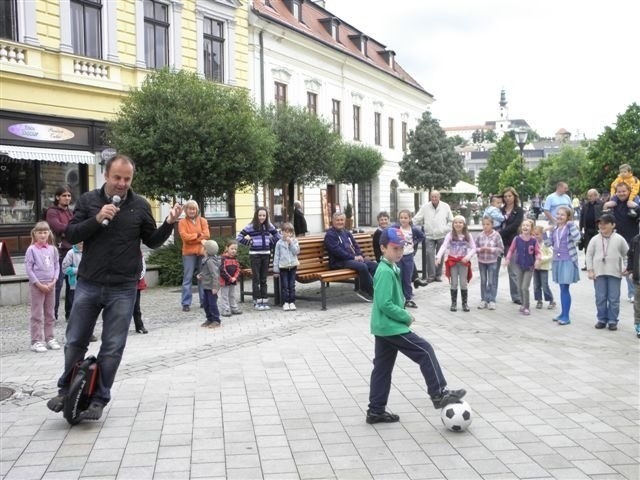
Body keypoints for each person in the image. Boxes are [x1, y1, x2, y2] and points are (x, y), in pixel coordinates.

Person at [46, 154, 183, 421]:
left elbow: (152, 241)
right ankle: (65, 391)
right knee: (75, 341)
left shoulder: (140, 206)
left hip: (123, 287)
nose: (122, 184)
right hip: (89, 283)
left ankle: (99, 399)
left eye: (127, 179)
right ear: (106, 175)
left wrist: (169, 224)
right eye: (117, 178)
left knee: (112, 346)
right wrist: (97, 218)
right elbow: (71, 235)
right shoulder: (88, 201)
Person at [365, 226, 466, 424]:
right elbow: (384, 303)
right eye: (395, 248)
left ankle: (376, 410)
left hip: (384, 327)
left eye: (402, 248)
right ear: (383, 248)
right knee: (425, 350)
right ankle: (439, 393)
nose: (400, 252)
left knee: (382, 369)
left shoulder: (392, 266)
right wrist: (405, 316)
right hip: (391, 326)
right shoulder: (384, 271)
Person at [585, 213, 628, 331]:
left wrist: (627, 267)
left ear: (613, 225)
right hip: (599, 273)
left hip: (615, 273)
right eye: (600, 223)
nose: (602, 226)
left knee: (614, 298)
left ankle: (613, 320)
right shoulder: (594, 239)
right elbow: (589, 255)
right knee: (600, 297)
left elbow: (627, 254)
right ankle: (602, 319)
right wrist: (590, 270)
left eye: (605, 223)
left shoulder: (619, 239)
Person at [324, 212, 377, 302]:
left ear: (344, 221)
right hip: (338, 262)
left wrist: (359, 255)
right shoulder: (330, 235)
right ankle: (365, 291)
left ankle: (375, 290)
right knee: (362, 266)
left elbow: (355, 245)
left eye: (341, 220)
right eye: (337, 220)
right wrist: (353, 257)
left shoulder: (346, 232)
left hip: (351, 260)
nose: (340, 222)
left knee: (374, 265)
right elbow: (337, 251)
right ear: (333, 221)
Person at [25, 221, 60, 353]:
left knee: (50, 313)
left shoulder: (53, 249)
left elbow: (57, 266)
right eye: (40, 232)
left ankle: (49, 337)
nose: (43, 235)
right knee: (37, 314)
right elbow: (29, 269)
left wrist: (54, 281)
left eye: (45, 232)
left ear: (49, 233)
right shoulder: (31, 250)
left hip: (51, 285)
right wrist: (38, 284)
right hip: (37, 285)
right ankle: (36, 340)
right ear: (35, 234)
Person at [237, 207, 280, 310]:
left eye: (264, 215)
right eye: (260, 215)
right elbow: (239, 237)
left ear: (266, 216)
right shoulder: (251, 226)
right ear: (256, 216)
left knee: (263, 278)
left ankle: (264, 300)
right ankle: (256, 301)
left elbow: (278, 235)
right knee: (256, 279)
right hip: (255, 255)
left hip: (266, 255)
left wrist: (271, 241)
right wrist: (250, 242)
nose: (261, 217)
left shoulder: (269, 226)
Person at [603, 183, 640, 302]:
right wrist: (605, 206)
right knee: (619, 266)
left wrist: (637, 207)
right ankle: (619, 293)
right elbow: (604, 219)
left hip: (632, 241)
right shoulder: (614, 204)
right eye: (619, 191)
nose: (621, 193)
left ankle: (633, 293)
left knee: (632, 267)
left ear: (629, 191)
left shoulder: (633, 203)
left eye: (624, 191)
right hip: (617, 239)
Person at [544, 206, 581, 325]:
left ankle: (566, 316)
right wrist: (543, 235)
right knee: (561, 288)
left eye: (562, 215)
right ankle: (563, 312)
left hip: (568, 260)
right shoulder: (555, 228)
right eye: (558, 214)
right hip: (557, 260)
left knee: (565, 288)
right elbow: (549, 243)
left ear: (568, 217)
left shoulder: (570, 227)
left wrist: (571, 225)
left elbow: (578, 238)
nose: (559, 216)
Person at [436, 215, 476, 312]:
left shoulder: (467, 235)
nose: (458, 224)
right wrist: (438, 256)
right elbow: (444, 246)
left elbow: (474, 248)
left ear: (464, 224)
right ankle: (453, 303)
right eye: (456, 222)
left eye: (460, 222)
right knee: (453, 282)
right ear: (453, 224)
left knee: (463, 283)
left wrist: (468, 256)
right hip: (453, 262)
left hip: (463, 262)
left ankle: (464, 303)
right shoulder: (450, 235)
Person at [46, 185, 74, 321]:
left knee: (72, 285)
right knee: (57, 285)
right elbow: (57, 227)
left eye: (69, 195)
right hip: (59, 251)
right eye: (64, 195)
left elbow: (76, 227)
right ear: (57, 197)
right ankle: (53, 315)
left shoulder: (70, 212)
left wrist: (67, 230)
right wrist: (71, 229)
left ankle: (70, 315)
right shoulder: (51, 211)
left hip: (72, 251)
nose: (67, 198)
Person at [413, 190, 453, 283]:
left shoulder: (445, 206)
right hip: (429, 235)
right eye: (432, 197)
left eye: (436, 197)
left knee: (440, 255)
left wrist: (445, 229)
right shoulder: (425, 207)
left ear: (439, 197)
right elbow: (417, 218)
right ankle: (431, 276)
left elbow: (451, 220)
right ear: (430, 197)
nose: (434, 198)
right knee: (429, 254)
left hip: (441, 234)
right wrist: (409, 223)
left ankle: (438, 275)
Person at [504, 219, 540, 316]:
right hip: (519, 266)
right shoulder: (517, 239)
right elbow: (511, 250)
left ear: (531, 228)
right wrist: (507, 259)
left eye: (527, 226)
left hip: (529, 267)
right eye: (523, 225)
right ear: (521, 227)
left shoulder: (534, 240)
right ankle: (523, 304)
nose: (525, 227)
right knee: (519, 287)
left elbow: (538, 253)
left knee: (525, 287)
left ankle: (526, 306)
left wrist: (537, 260)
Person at [178, 200, 210, 312]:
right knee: (187, 278)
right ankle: (186, 303)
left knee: (202, 277)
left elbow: (207, 235)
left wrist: (193, 238)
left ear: (197, 210)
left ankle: (203, 301)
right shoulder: (182, 222)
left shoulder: (203, 221)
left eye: (193, 209)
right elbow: (185, 238)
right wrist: (197, 235)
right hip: (188, 253)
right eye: (189, 209)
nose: (191, 211)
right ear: (186, 210)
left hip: (201, 252)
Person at [498, 187, 525, 304]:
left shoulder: (518, 210)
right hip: (498, 243)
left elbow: (514, 226)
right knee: (494, 270)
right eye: (505, 196)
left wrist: (499, 233)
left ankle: (517, 296)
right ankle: (490, 295)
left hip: (511, 242)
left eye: (510, 196)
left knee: (513, 270)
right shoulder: (500, 210)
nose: (507, 198)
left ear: (514, 196)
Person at [393, 209, 425, 308]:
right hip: (398, 257)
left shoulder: (413, 229)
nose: (403, 220)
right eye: (401, 218)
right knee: (398, 277)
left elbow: (422, 237)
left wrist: (414, 243)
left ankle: (408, 299)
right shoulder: (396, 228)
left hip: (408, 256)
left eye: (405, 218)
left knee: (407, 278)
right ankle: (398, 299)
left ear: (410, 219)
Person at [475, 215, 504, 310]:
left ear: (492, 224)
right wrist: (480, 249)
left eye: (488, 224)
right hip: (482, 261)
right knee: (483, 281)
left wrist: (490, 249)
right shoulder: (480, 235)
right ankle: (483, 299)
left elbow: (501, 249)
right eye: (483, 224)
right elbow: (474, 248)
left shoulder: (496, 235)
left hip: (492, 261)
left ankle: (492, 300)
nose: (485, 226)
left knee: (491, 281)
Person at [273, 222, 300, 311]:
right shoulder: (279, 243)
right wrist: (276, 270)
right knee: (285, 285)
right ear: (281, 232)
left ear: (292, 233)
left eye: (289, 232)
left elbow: (296, 252)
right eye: (285, 232)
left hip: (292, 266)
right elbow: (276, 256)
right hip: (283, 267)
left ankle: (292, 302)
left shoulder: (295, 241)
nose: (287, 234)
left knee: (291, 285)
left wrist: (291, 243)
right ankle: (286, 302)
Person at [197, 240, 222, 328]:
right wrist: (200, 275)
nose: (202, 249)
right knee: (206, 303)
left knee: (212, 304)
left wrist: (215, 287)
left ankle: (216, 320)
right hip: (206, 286)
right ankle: (209, 319)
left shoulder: (211, 261)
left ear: (206, 250)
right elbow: (206, 272)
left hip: (211, 287)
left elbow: (215, 274)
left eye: (203, 248)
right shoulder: (206, 259)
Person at [579, 189, 604, 270]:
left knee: (598, 247)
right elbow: (582, 216)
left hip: (597, 229)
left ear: (596, 196)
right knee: (587, 247)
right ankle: (588, 265)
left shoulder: (601, 204)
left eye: (590, 196)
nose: (589, 197)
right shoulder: (586, 205)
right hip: (587, 229)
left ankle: (598, 265)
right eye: (588, 195)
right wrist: (580, 227)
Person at [532, 226, 555, 310]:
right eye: (534, 235)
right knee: (536, 285)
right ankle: (539, 300)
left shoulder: (546, 244)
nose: (535, 236)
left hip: (544, 268)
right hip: (535, 268)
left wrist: (541, 259)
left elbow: (551, 255)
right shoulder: (533, 244)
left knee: (545, 285)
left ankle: (551, 300)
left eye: (537, 234)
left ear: (542, 234)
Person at [219, 240, 242, 317]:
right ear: (227, 248)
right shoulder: (223, 258)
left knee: (232, 295)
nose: (233, 251)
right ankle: (225, 309)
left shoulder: (235, 259)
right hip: (225, 281)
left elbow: (238, 269)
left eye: (235, 249)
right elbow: (222, 270)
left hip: (233, 280)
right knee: (224, 295)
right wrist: (229, 278)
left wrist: (235, 277)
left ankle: (234, 308)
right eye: (232, 248)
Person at [624, 232, 640, 338]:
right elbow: (630, 256)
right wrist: (630, 269)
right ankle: (638, 325)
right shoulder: (635, 240)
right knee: (638, 304)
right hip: (638, 278)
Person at [132, 253, 148, 334]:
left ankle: (139, 326)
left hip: (135, 283)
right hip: (121, 283)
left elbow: (143, 267)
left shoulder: (138, 253)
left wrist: (137, 279)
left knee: (136, 308)